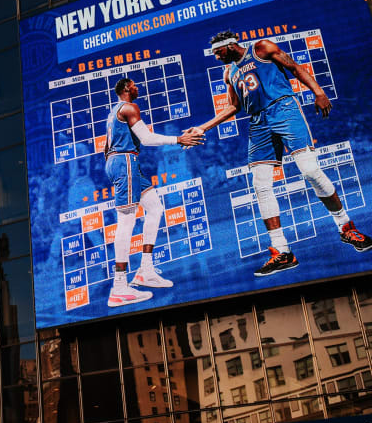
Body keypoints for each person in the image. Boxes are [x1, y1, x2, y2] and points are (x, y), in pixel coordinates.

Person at [190, 30, 371, 276]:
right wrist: (202, 127)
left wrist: (318, 92)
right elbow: (234, 106)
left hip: (284, 108)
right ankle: (281, 251)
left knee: (310, 171)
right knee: (260, 186)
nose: (215, 56)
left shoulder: (261, 48)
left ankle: (346, 227)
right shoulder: (229, 73)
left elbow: (295, 68)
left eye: (217, 51)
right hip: (258, 121)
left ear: (230, 45)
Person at [105, 77, 204, 307]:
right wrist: (179, 139)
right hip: (125, 162)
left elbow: (106, 147)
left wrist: (117, 165)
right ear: (127, 88)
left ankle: (145, 270)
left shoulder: (112, 113)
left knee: (155, 208)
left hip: (121, 161)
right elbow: (147, 139)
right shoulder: (130, 107)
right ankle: (119, 286)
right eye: (135, 85)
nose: (138, 87)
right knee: (126, 221)